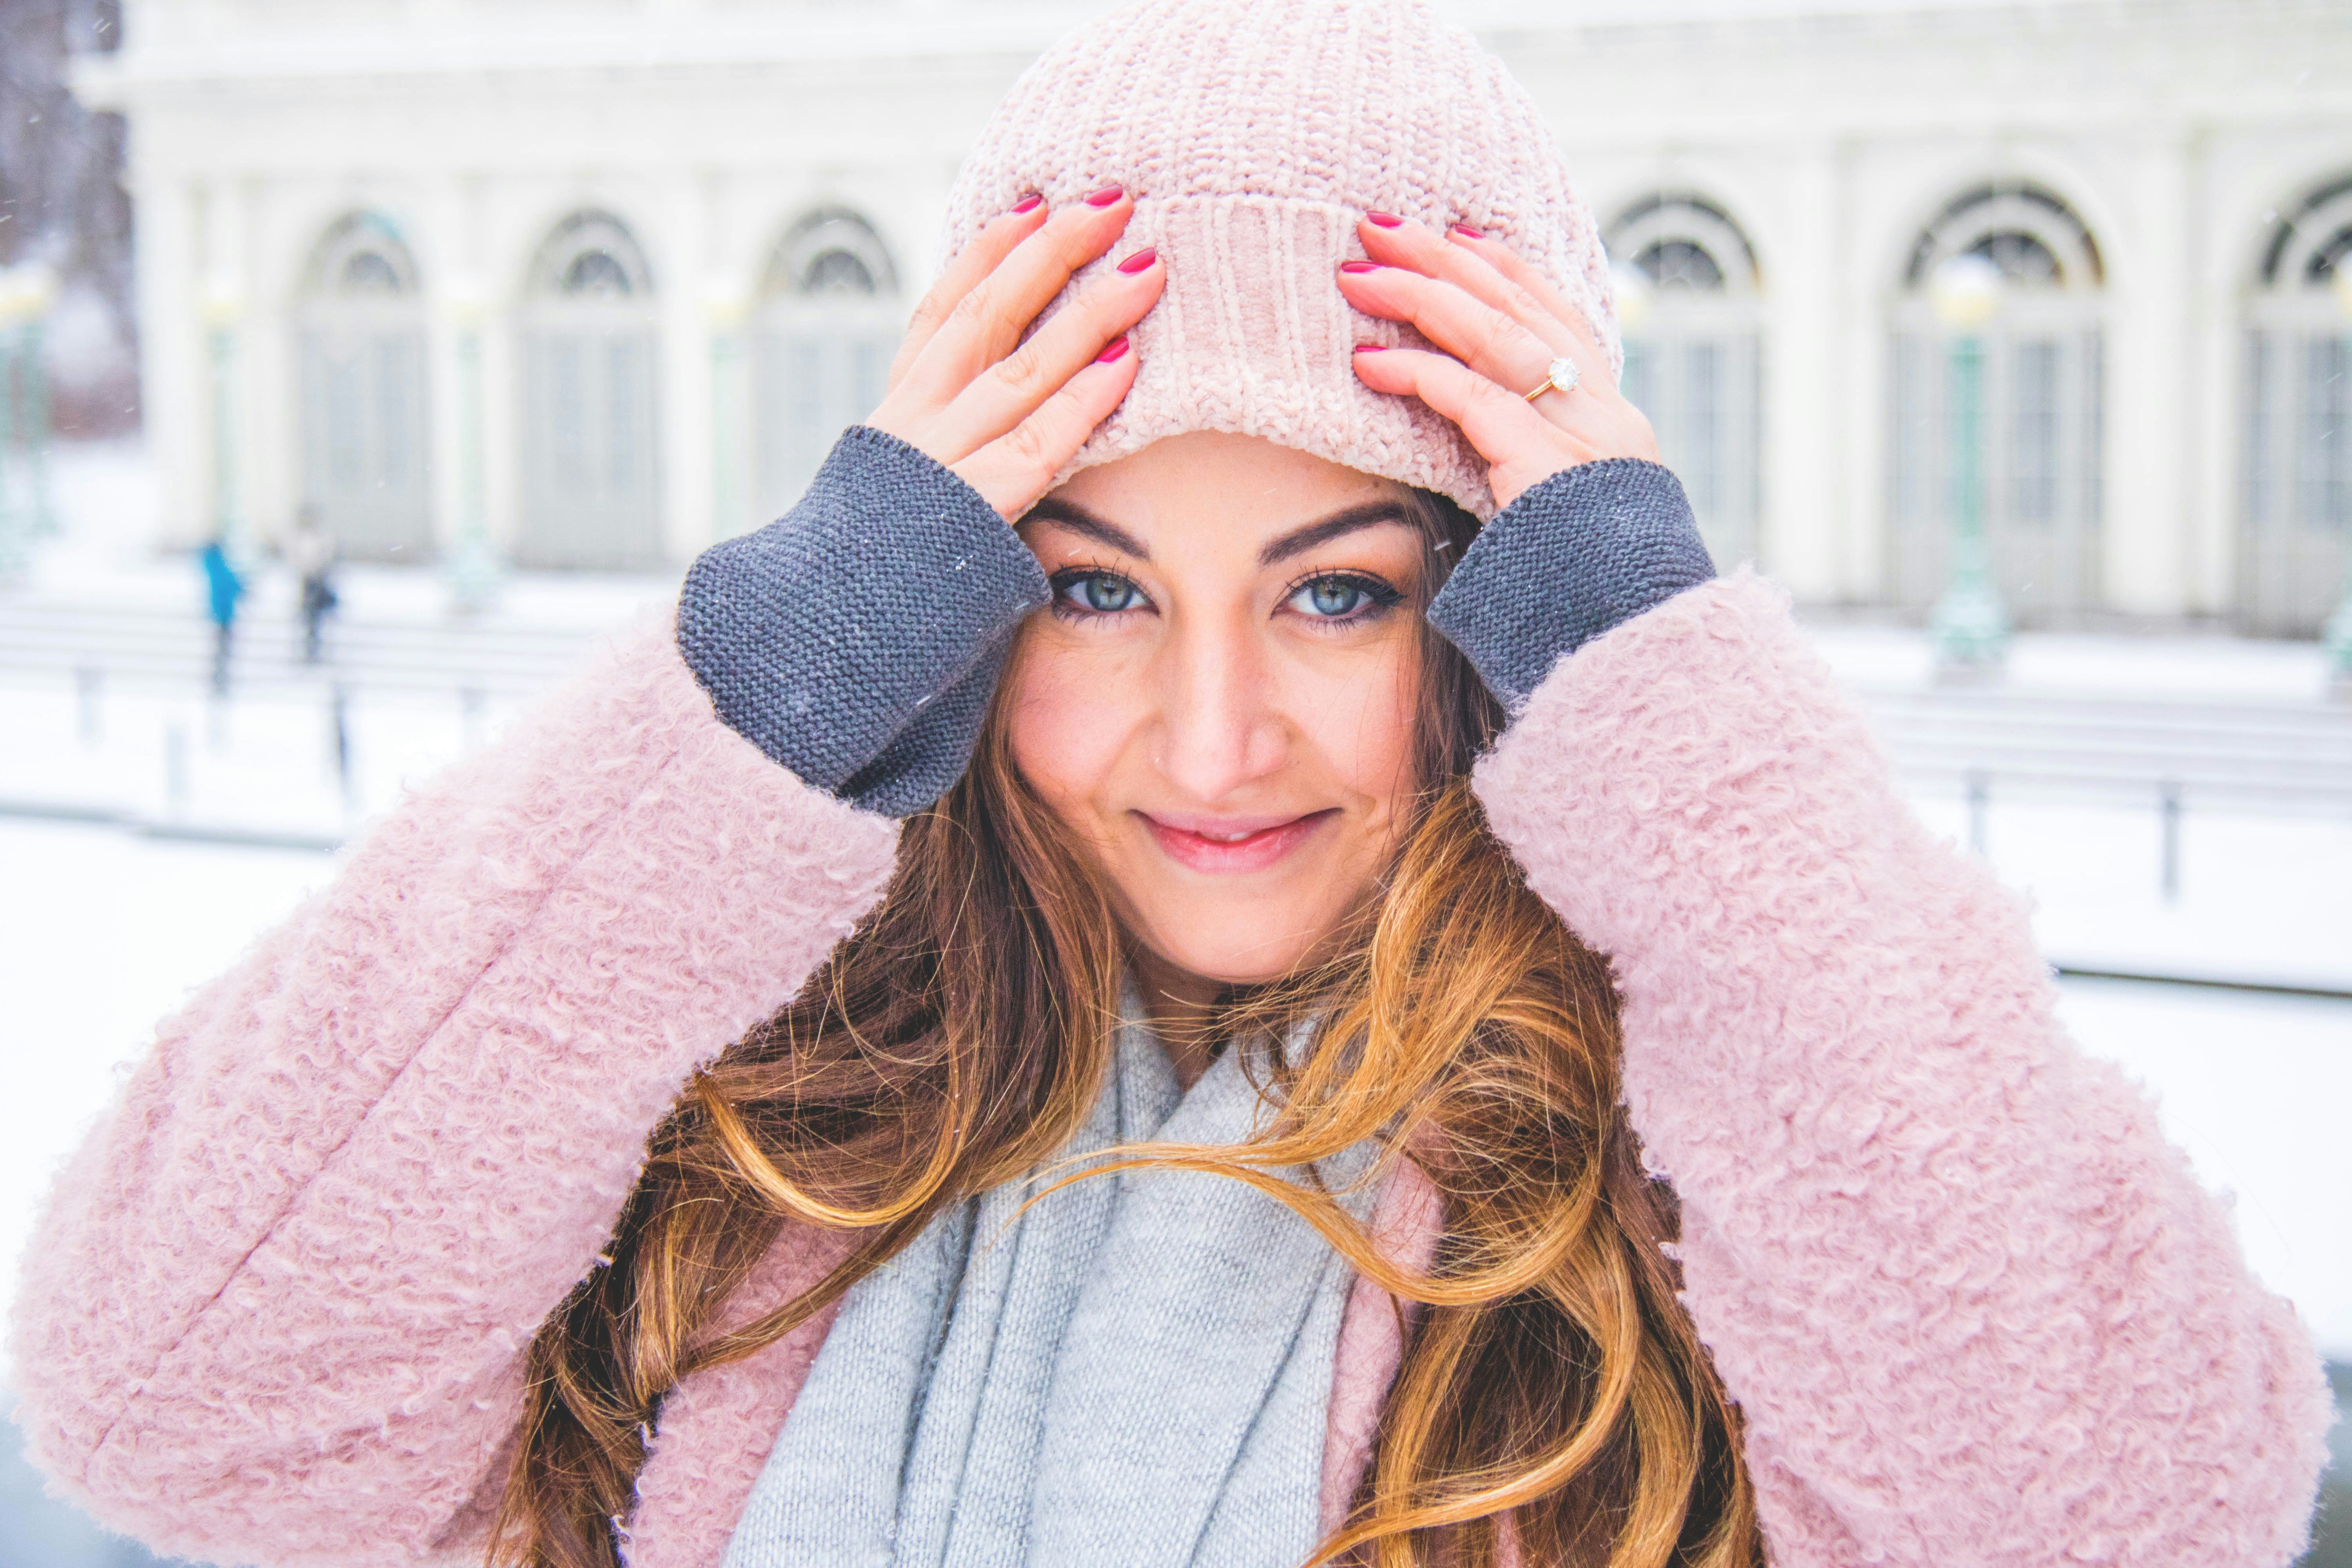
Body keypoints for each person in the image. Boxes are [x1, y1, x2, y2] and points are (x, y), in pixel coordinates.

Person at [11, 5, 2328, 1568]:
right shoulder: (730, 1145)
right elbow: (165, 1388)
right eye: (1092, 595)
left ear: (1513, 612)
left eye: (1341, 596)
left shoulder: (1717, 1210)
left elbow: (2126, 1507)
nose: (1212, 741)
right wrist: (743, 702)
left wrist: (1692, 738)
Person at [285, 506, 339, 665]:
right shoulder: (300, 538)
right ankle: (309, 648)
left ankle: (312, 648)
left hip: (316, 579)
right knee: (309, 615)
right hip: (308, 579)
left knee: (314, 616)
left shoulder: (320, 537)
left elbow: (326, 555)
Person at [197, 535, 242, 696]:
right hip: (224, 613)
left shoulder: (210, 565)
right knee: (222, 649)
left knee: (220, 648)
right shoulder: (220, 566)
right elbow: (232, 585)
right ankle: (219, 679)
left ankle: (218, 677)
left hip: (218, 612)